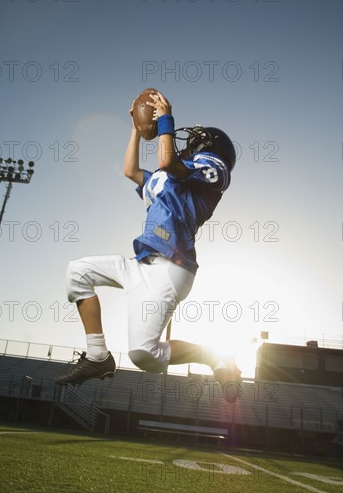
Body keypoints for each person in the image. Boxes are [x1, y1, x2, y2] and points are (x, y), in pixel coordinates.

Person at [54, 91, 241, 388]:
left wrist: (166, 119)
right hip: (140, 263)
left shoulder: (213, 172)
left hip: (172, 267)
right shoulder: (162, 178)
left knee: (145, 355)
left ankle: (212, 356)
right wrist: (136, 130)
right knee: (78, 272)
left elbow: (168, 162)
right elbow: (131, 170)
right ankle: (97, 355)